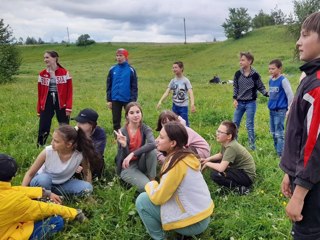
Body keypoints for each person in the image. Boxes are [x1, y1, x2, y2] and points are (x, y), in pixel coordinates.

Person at [136, 121, 214, 240]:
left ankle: (160, 238)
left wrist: (150, 184)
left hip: (194, 223)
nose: (157, 140)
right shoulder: (187, 156)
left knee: (142, 200)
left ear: (172, 143)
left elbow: (158, 198)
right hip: (203, 215)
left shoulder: (176, 165)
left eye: (161, 137)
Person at [280, 12, 320, 239]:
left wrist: (299, 195)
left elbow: (314, 145)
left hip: (313, 184)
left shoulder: (317, 86)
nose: (298, 42)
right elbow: (299, 136)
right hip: (305, 177)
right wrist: (289, 172)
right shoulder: (309, 78)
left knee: (308, 234)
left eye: (305, 35)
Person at [0, 153, 87, 240]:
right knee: (57, 221)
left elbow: (13, 190)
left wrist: (45, 193)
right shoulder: (16, 201)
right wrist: (75, 213)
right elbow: (46, 209)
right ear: (12, 177)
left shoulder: (9, 194)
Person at [22, 124, 95, 197]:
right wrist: (22, 192)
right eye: (52, 139)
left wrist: (89, 196)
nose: (51, 143)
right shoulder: (47, 151)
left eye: (56, 141)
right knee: (44, 179)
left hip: (62, 185)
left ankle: (53, 195)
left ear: (69, 144)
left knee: (87, 187)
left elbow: (87, 173)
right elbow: (30, 173)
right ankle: (45, 195)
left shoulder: (79, 156)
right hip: (42, 182)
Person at [201, 121, 256, 195]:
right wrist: (208, 159)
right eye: (218, 131)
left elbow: (221, 168)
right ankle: (231, 184)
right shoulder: (226, 143)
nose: (217, 133)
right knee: (215, 163)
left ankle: (240, 188)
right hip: (239, 170)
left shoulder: (231, 147)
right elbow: (221, 155)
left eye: (220, 132)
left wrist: (207, 163)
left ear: (229, 136)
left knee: (215, 174)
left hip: (247, 176)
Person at [114, 102, 157, 192]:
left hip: (140, 161)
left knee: (152, 151)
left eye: (138, 112)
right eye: (132, 113)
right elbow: (122, 158)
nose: (135, 115)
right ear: (127, 116)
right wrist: (124, 145)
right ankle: (147, 184)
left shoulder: (145, 128)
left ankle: (152, 179)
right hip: (127, 166)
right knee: (146, 188)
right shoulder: (122, 132)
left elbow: (152, 144)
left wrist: (133, 153)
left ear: (141, 114)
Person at [232, 52, 268, 150]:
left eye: (243, 60)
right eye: (240, 60)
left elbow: (261, 87)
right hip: (239, 103)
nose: (240, 62)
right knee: (234, 124)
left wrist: (268, 94)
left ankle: (252, 147)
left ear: (250, 61)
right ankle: (233, 145)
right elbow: (235, 86)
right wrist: (235, 98)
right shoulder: (238, 74)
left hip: (251, 103)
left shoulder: (255, 75)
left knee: (249, 125)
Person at [37, 50, 73, 147]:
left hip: (61, 101)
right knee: (44, 124)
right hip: (47, 101)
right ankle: (40, 145)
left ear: (55, 58)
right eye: (44, 58)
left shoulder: (64, 72)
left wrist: (68, 107)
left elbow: (70, 91)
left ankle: (66, 144)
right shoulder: (42, 74)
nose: (45, 60)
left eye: (47, 57)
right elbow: (40, 93)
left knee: (64, 125)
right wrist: (39, 109)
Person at [106, 48, 138, 132]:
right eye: (117, 56)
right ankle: (117, 137)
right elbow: (108, 85)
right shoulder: (112, 69)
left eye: (121, 55)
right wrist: (109, 100)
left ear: (126, 57)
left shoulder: (131, 70)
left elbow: (134, 86)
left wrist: (133, 100)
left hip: (127, 99)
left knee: (130, 118)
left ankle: (130, 133)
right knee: (116, 120)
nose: (118, 58)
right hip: (115, 99)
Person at [267, 59, 294, 157]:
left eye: (273, 69)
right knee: (273, 133)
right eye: (269, 69)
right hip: (272, 110)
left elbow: (290, 95)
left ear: (280, 69)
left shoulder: (283, 80)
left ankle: (281, 155)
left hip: (280, 111)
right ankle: (277, 151)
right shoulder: (270, 80)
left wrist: (289, 108)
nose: (271, 71)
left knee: (279, 134)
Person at [157, 61, 195, 127]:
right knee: (173, 123)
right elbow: (167, 92)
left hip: (183, 107)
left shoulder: (185, 80)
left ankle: (187, 136)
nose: (174, 69)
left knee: (184, 124)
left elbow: (190, 92)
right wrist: (160, 101)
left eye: (176, 67)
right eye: (173, 68)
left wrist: (192, 104)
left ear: (181, 68)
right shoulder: (173, 81)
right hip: (174, 106)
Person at [73, 108, 107, 178]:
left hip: (91, 160)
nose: (78, 125)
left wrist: (86, 139)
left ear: (91, 124)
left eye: (82, 123)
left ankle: (94, 177)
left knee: (100, 161)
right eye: (78, 122)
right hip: (75, 160)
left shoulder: (99, 133)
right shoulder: (74, 132)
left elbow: (97, 153)